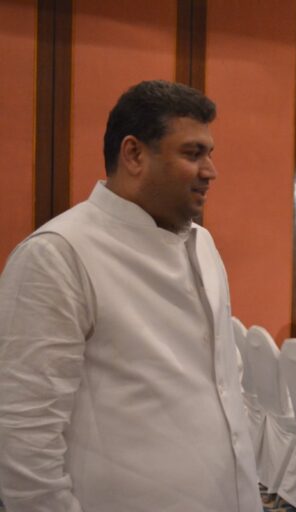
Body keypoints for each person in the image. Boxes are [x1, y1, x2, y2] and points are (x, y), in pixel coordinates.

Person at [0, 80, 262, 512]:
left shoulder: (203, 243)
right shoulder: (58, 254)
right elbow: (23, 435)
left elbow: (220, 383)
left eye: (210, 154)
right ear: (134, 154)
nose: (211, 170)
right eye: (193, 153)